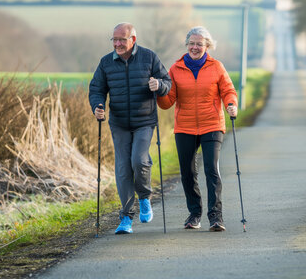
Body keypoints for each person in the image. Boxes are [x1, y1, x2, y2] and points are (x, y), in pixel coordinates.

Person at [89, 22, 171, 234]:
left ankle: (144, 198)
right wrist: (97, 106)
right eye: (114, 40)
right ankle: (126, 217)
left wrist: (159, 86)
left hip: (144, 120)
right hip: (119, 123)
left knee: (139, 160)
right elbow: (96, 89)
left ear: (133, 39)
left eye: (122, 40)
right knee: (123, 169)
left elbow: (166, 81)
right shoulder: (106, 62)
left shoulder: (149, 57)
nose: (117, 43)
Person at [158, 26, 238, 232]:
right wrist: (158, 91)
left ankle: (216, 216)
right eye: (192, 43)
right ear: (187, 45)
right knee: (187, 172)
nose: (195, 47)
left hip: (212, 124)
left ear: (207, 46)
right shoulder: (175, 69)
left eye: (199, 44)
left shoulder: (217, 67)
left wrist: (231, 104)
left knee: (211, 169)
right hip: (184, 126)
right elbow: (168, 102)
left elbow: (228, 90)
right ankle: (195, 214)